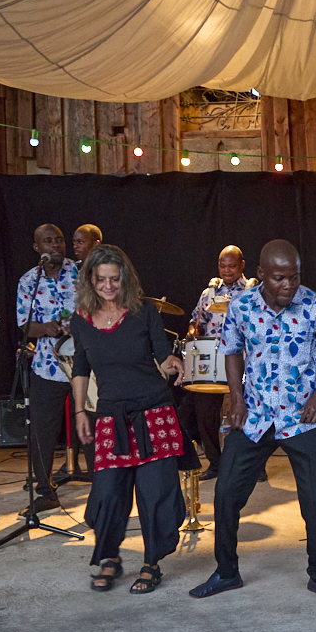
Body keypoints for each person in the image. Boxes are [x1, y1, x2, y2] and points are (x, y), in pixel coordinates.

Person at [189, 240, 316, 602]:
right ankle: (226, 572)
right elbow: (231, 350)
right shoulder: (242, 306)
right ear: (261, 274)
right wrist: (236, 397)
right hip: (256, 415)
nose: (288, 285)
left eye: (294, 277)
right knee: (226, 493)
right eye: (279, 278)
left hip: (302, 418)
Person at [70, 244, 197, 594]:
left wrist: (173, 363)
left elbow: (162, 353)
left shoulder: (144, 312)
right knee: (107, 493)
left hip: (154, 412)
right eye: (101, 279)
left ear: (125, 278)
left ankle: (151, 563)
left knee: (155, 494)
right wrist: (80, 410)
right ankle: (110, 557)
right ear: (90, 281)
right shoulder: (81, 320)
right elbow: (80, 367)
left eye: (114, 279)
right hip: (111, 415)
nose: (108, 286)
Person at [16, 224, 78, 514]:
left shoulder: (81, 273)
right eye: (48, 241)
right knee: (41, 432)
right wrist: (45, 328)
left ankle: (104, 486)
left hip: (84, 365)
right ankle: (45, 490)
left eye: (59, 240)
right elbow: (24, 324)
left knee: (93, 424)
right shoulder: (29, 281)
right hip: (46, 366)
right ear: (37, 248)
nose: (55, 245)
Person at [181, 245, 251, 480]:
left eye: (232, 266)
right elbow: (197, 320)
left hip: (241, 356)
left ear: (242, 265)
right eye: (223, 266)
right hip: (211, 359)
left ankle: (253, 465)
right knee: (205, 413)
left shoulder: (252, 291)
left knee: (247, 411)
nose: (227, 270)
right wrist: (193, 331)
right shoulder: (208, 293)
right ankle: (215, 463)